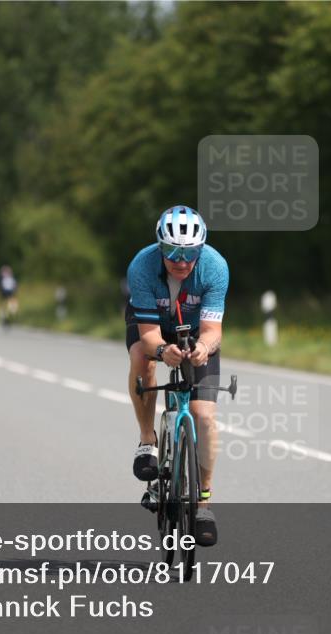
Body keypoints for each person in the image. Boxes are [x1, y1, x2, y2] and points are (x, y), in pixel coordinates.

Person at [125, 205, 229, 547]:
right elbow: (150, 336)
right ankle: (148, 442)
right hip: (155, 330)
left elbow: (213, 330)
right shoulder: (142, 266)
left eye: (189, 253)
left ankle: (203, 502)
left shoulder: (214, 266)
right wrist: (161, 350)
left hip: (195, 333)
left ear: (201, 249)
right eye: (172, 252)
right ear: (159, 246)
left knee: (204, 416)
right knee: (143, 356)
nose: (181, 261)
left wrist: (203, 347)